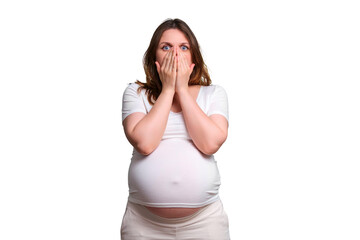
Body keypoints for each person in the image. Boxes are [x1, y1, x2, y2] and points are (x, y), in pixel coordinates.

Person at [120, 18, 230, 240]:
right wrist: (169, 88)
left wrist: (182, 87)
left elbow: (210, 143)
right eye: (166, 47)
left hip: (205, 223)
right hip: (143, 224)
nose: (175, 54)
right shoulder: (135, 93)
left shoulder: (214, 94)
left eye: (183, 47)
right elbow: (144, 143)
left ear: (193, 59)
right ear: (155, 58)